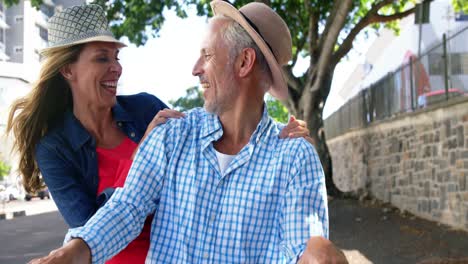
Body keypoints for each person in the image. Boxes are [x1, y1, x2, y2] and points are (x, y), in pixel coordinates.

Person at [29, 1, 347, 264]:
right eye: (102, 57)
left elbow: (301, 245)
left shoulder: (293, 156)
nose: (195, 69)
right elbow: (127, 207)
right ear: (68, 71)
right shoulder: (173, 134)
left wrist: (315, 253)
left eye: (206, 55)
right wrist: (72, 252)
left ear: (244, 62)